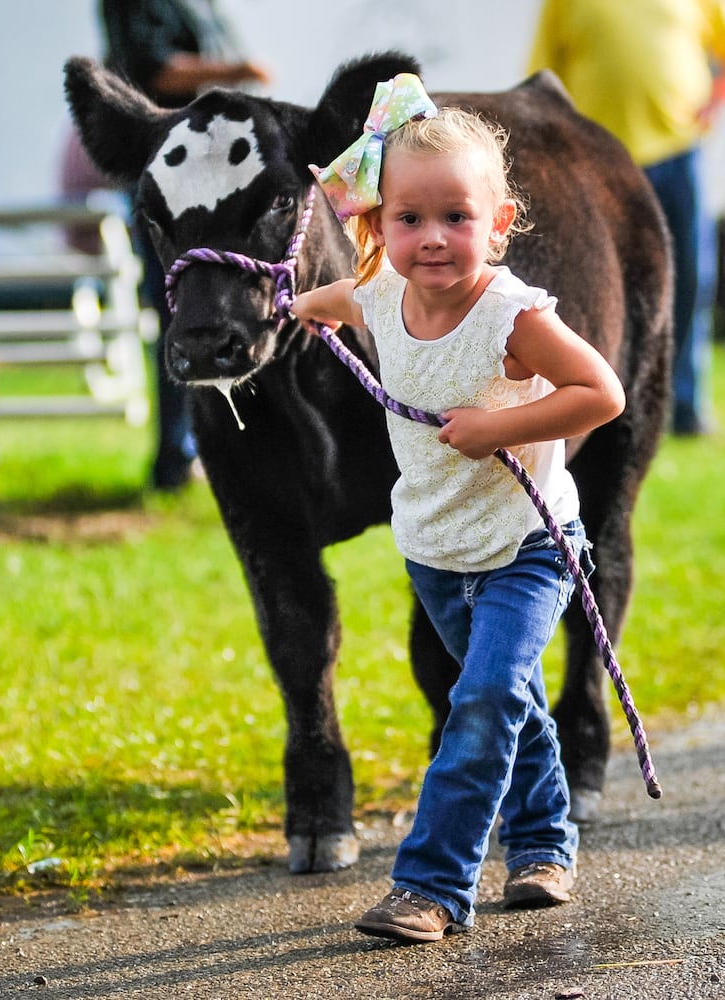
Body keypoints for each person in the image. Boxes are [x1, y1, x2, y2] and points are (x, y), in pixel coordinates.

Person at [290, 74, 626, 944]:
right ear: (376, 225)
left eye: (456, 217)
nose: (432, 239)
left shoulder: (512, 316)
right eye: (408, 219)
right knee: (505, 698)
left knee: (480, 703)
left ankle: (432, 886)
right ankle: (546, 841)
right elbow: (332, 301)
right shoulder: (377, 299)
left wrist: (502, 425)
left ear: (500, 224)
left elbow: (602, 392)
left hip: (528, 545)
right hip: (436, 551)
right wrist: (295, 311)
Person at [527, 0, 725, 435]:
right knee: (598, 286)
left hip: (677, 157)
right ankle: (599, 403)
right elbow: (543, 76)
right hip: (599, 161)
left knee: (688, 281)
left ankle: (685, 406)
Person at [97, 0, 271, 489]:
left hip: (202, 172)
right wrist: (235, 70)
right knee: (182, 312)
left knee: (226, 308)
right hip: (167, 177)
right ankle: (179, 455)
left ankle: (222, 450)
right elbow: (154, 71)